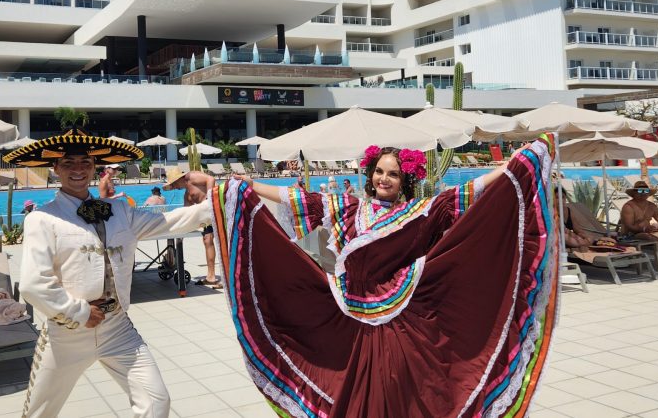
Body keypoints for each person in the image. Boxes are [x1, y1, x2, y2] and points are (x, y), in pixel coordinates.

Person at [216, 137, 559, 417]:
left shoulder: (420, 212)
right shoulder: (350, 208)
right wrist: (250, 185)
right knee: (355, 390)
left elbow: (467, 192)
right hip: (350, 317)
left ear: (404, 180)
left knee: (394, 390)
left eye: (392, 174)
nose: (384, 179)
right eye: (379, 171)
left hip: (401, 320)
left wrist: (510, 167)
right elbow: (300, 200)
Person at [8, 129, 212, 418]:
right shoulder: (42, 218)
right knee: (40, 413)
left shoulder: (118, 210)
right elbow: (33, 284)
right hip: (67, 333)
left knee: (157, 402)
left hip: (117, 327)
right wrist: (78, 312)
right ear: (55, 169)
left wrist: (216, 204)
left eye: (85, 162)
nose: (78, 169)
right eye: (68, 163)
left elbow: (169, 221)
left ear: (94, 167)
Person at [163, 167, 220, 288]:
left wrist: (208, 199)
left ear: (180, 178)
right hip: (207, 217)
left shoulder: (191, 177)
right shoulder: (187, 196)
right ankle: (211, 276)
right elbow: (186, 215)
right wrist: (179, 232)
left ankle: (214, 277)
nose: (174, 187)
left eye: (174, 184)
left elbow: (210, 179)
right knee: (207, 241)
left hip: (216, 209)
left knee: (213, 241)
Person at [620, 181, 658, 246]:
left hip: (647, 232)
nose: (643, 193)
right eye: (640, 191)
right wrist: (644, 229)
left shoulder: (652, 206)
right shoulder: (628, 207)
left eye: (646, 191)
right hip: (630, 236)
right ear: (634, 193)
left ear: (648, 193)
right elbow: (629, 226)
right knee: (650, 237)